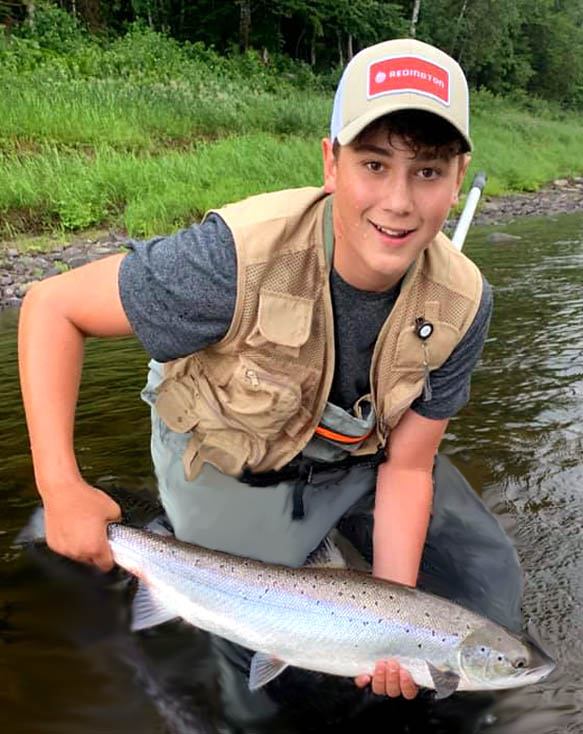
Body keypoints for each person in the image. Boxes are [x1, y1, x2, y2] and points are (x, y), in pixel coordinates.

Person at [18, 38, 522, 707]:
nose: (399, 201)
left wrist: (394, 621)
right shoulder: (234, 259)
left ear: (459, 178)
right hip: (226, 455)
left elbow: (407, 468)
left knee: (487, 585)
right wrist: (60, 487)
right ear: (331, 163)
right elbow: (51, 307)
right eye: (374, 164)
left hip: (352, 459)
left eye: (428, 171)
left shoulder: (464, 303)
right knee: (260, 662)